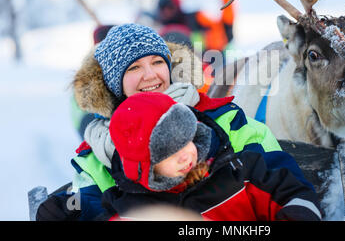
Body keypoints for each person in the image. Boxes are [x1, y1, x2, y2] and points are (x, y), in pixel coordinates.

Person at [36, 23, 316, 220]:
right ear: (113, 85)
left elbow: (282, 183)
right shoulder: (97, 156)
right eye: (134, 68)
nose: (151, 75)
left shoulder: (225, 121)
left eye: (158, 62)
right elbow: (90, 208)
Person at [101, 92, 322, 221]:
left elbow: (293, 194)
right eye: (169, 153)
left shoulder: (240, 171)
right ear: (145, 167)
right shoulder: (136, 211)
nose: (186, 154)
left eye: (187, 140)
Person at [138, 0, 235, 54]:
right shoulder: (157, 24)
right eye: (163, 8)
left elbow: (223, 28)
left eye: (170, 7)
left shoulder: (195, 18)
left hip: (208, 62)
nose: (167, 12)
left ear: (177, 6)